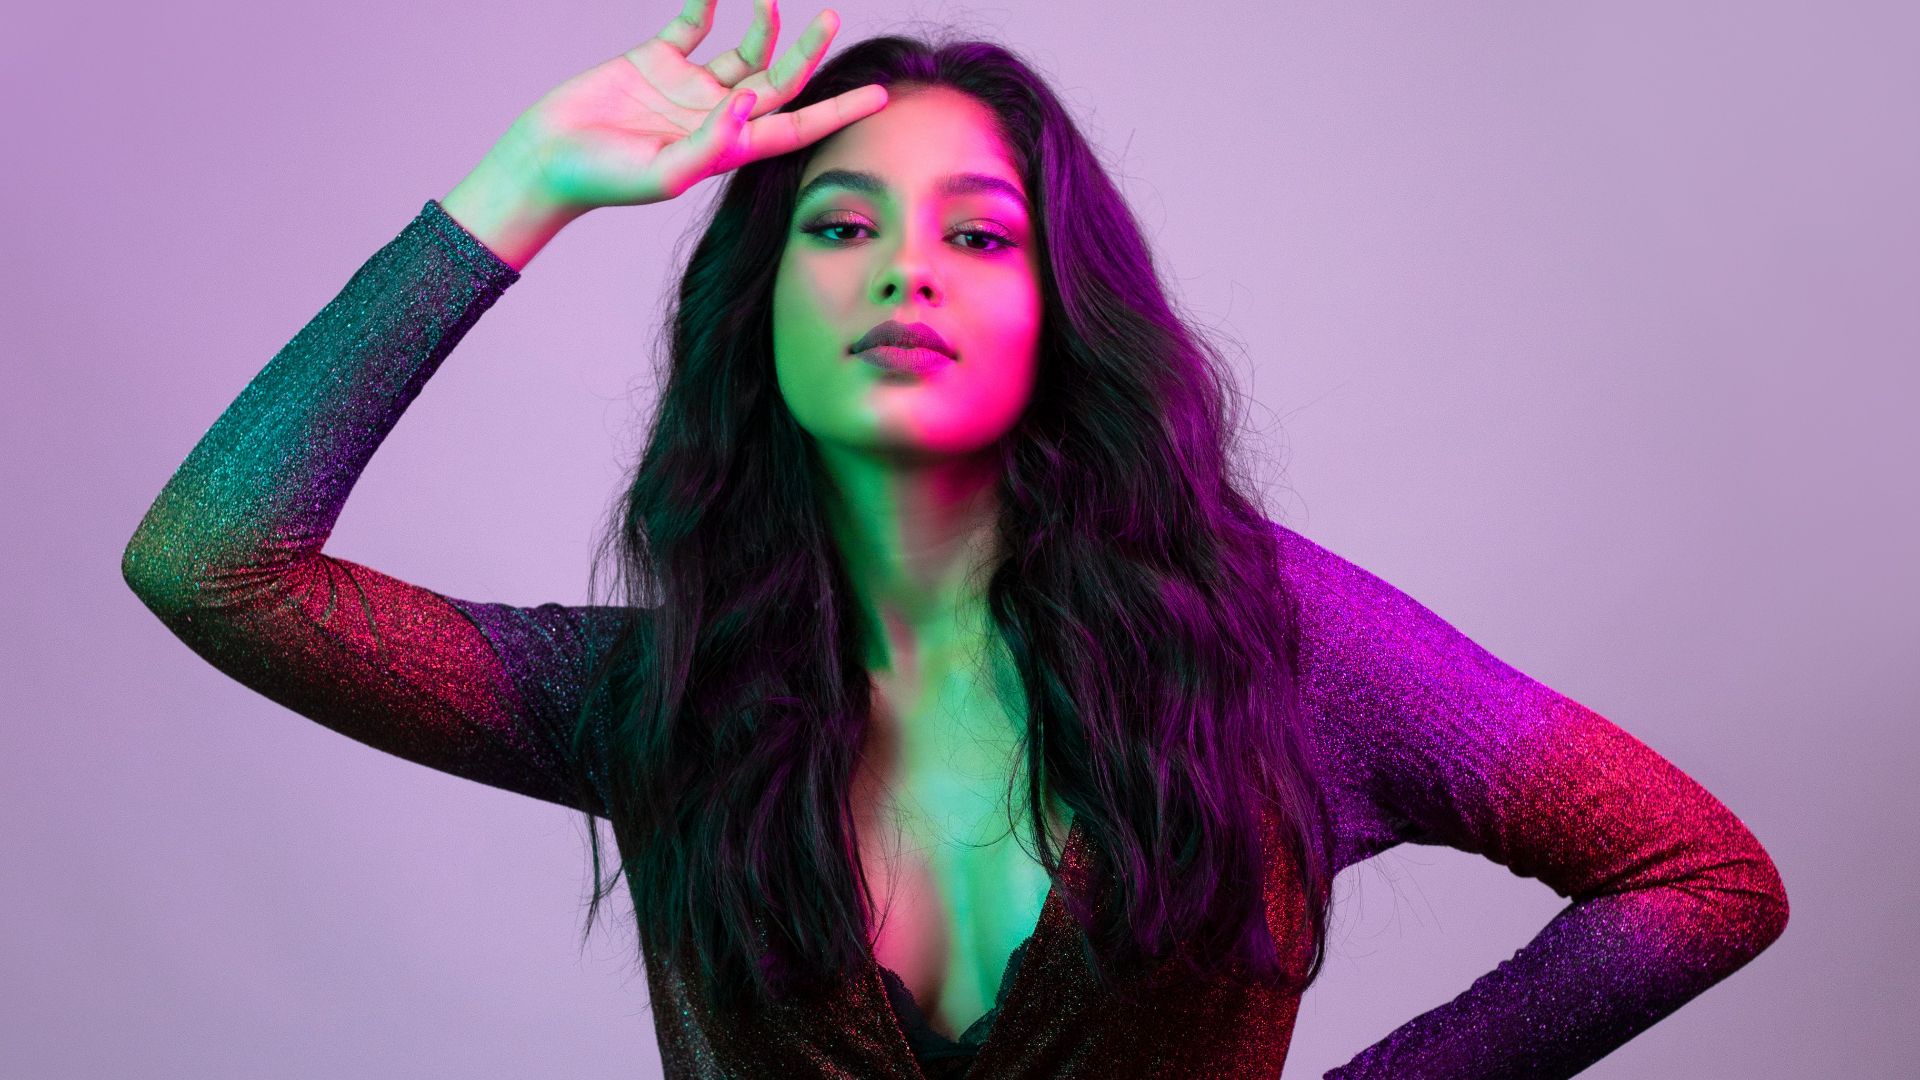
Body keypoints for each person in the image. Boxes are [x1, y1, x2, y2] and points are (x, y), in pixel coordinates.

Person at [120, 1, 1789, 1076]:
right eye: (838, 226)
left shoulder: (1269, 642)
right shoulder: (656, 697)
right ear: (753, 314)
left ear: (1062, 313)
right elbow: (213, 561)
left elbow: (1699, 878)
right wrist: (525, 185)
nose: (904, 269)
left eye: (977, 235)